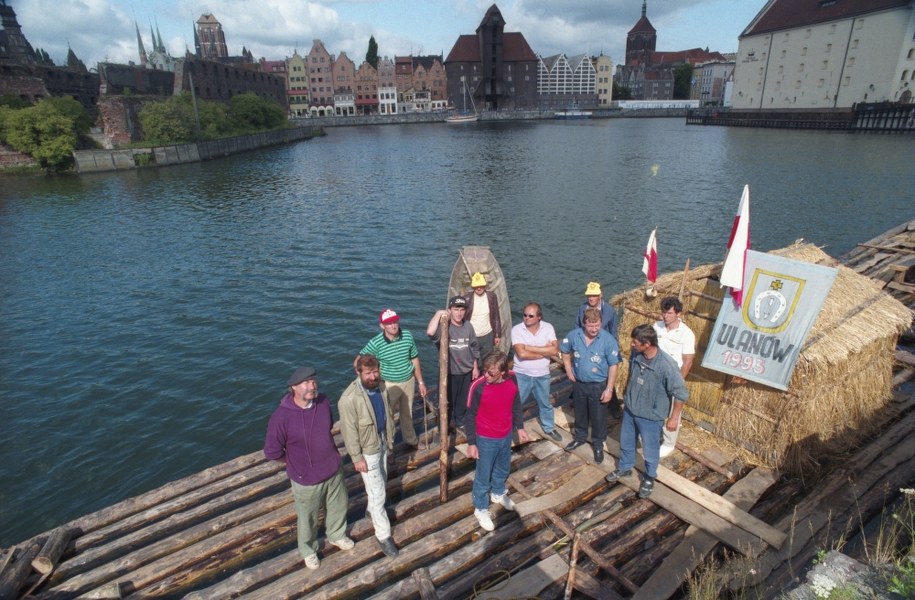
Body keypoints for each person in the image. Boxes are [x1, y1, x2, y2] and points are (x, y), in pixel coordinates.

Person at [263, 366, 354, 570]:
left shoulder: (323, 402)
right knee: (308, 518)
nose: (312, 386)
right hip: (306, 479)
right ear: (293, 387)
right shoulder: (281, 417)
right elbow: (272, 451)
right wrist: (294, 462)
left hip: (333, 468)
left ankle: (337, 535)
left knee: (339, 506)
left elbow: (328, 428)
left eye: (313, 381)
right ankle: (308, 550)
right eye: (306, 383)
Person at [606, 325, 689, 499]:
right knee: (627, 442)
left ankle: (649, 477)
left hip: (651, 416)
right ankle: (625, 467)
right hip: (631, 410)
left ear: (647, 344)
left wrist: (674, 418)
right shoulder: (637, 354)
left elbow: (681, 393)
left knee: (650, 450)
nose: (631, 344)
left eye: (635, 342)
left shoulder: (667, 366)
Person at [339, 355, 400, 558]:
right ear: (358, 372)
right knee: (378, 493)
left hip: (382, 441)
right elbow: (349, 432)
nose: (373, 376)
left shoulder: (381, 386)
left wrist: (389, 438)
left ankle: (371, 511)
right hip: (367, 451)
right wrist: (357, 458)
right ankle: (383, 536)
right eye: (368, 373)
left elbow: (387, 413)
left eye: (375, 372)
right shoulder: (349, 399)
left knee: (381, 481)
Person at [465, 351, 530, 532]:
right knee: (483, 474)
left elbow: (516, 403)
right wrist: (472, 442)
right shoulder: (478, 387)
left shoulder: (513, 379)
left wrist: (520, 427)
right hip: (485, 437)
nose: (486, 375)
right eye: (485, 370)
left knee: (503, 467)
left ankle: (498, 493)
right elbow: (469, 416)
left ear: (502, 372)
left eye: (490, 372)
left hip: (505, 434)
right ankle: (480, 507)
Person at [356, 309, 427, 449]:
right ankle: (389, 447)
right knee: (388, 417)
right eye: (389, 323)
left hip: (409, 381)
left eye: (395, 322)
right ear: (382, 326)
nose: (393, 325)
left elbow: (414, 359)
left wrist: (420, 382)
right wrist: (367, 381)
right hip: (388, 385)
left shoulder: (407, 335)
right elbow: (358, 362)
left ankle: (411, 440)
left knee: (408, 413)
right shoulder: (375, 343)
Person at [560, 307, 621, 464]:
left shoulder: (608, 340)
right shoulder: (574, 336)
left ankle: (598, 445)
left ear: (601, 323)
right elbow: (564, 351)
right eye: (591, 326)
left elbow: (613, 365)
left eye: (597, 325)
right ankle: (580, 438)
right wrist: (568, 370)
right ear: (584, 323)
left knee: (598, 417)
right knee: (580, 413)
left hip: (598, 385)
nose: (594, 329)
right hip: (579, 383)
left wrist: (609, 389)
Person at [425, 296, 480, 430]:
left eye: (462, 310)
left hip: (466, 371)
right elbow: (430, 332)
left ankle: (460, 423)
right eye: (456, 309)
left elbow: (474, 347)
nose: (459, 313)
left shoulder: (468, 326)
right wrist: (439, 313)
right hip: (449, 373)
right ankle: (444, 427)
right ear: (450, 310)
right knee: (446, 402)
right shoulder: (445, 326)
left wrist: (475, 367)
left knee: (462, 401)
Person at [511, 302, 561, 442]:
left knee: (545, 403)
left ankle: (549, 428)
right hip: (521, 374)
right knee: (515, 404)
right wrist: (544, 351)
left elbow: (554, 350)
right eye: (525, 315)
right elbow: (521, 354)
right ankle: (509, 428)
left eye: (531, 316)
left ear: (539, 317)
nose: (526, 318)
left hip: (542, 375)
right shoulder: (517, 329)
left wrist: (529, 347)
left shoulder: (548, 327)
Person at [653, 297, 696, 457]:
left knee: (674, 409)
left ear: (678, 314)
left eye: (669, 313)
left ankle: (669, 442)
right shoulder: (657, 327)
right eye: (664, 312)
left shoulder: (686, 334)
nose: (665, 316)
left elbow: (688, 361)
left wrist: (679, 381)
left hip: (673, 374)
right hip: (656, 372)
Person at [464, 272, 502, 357]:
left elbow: (496, 316)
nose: (479, 288)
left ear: (484, 285)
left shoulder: (492, 297)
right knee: (474, 359)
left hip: (488, 335)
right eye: (476, 286)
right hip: (472, 336)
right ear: (473, 287)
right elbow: (462, 319)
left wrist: (497, 335)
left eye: (481, 285)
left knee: (488, 359)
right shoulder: (466, 299)